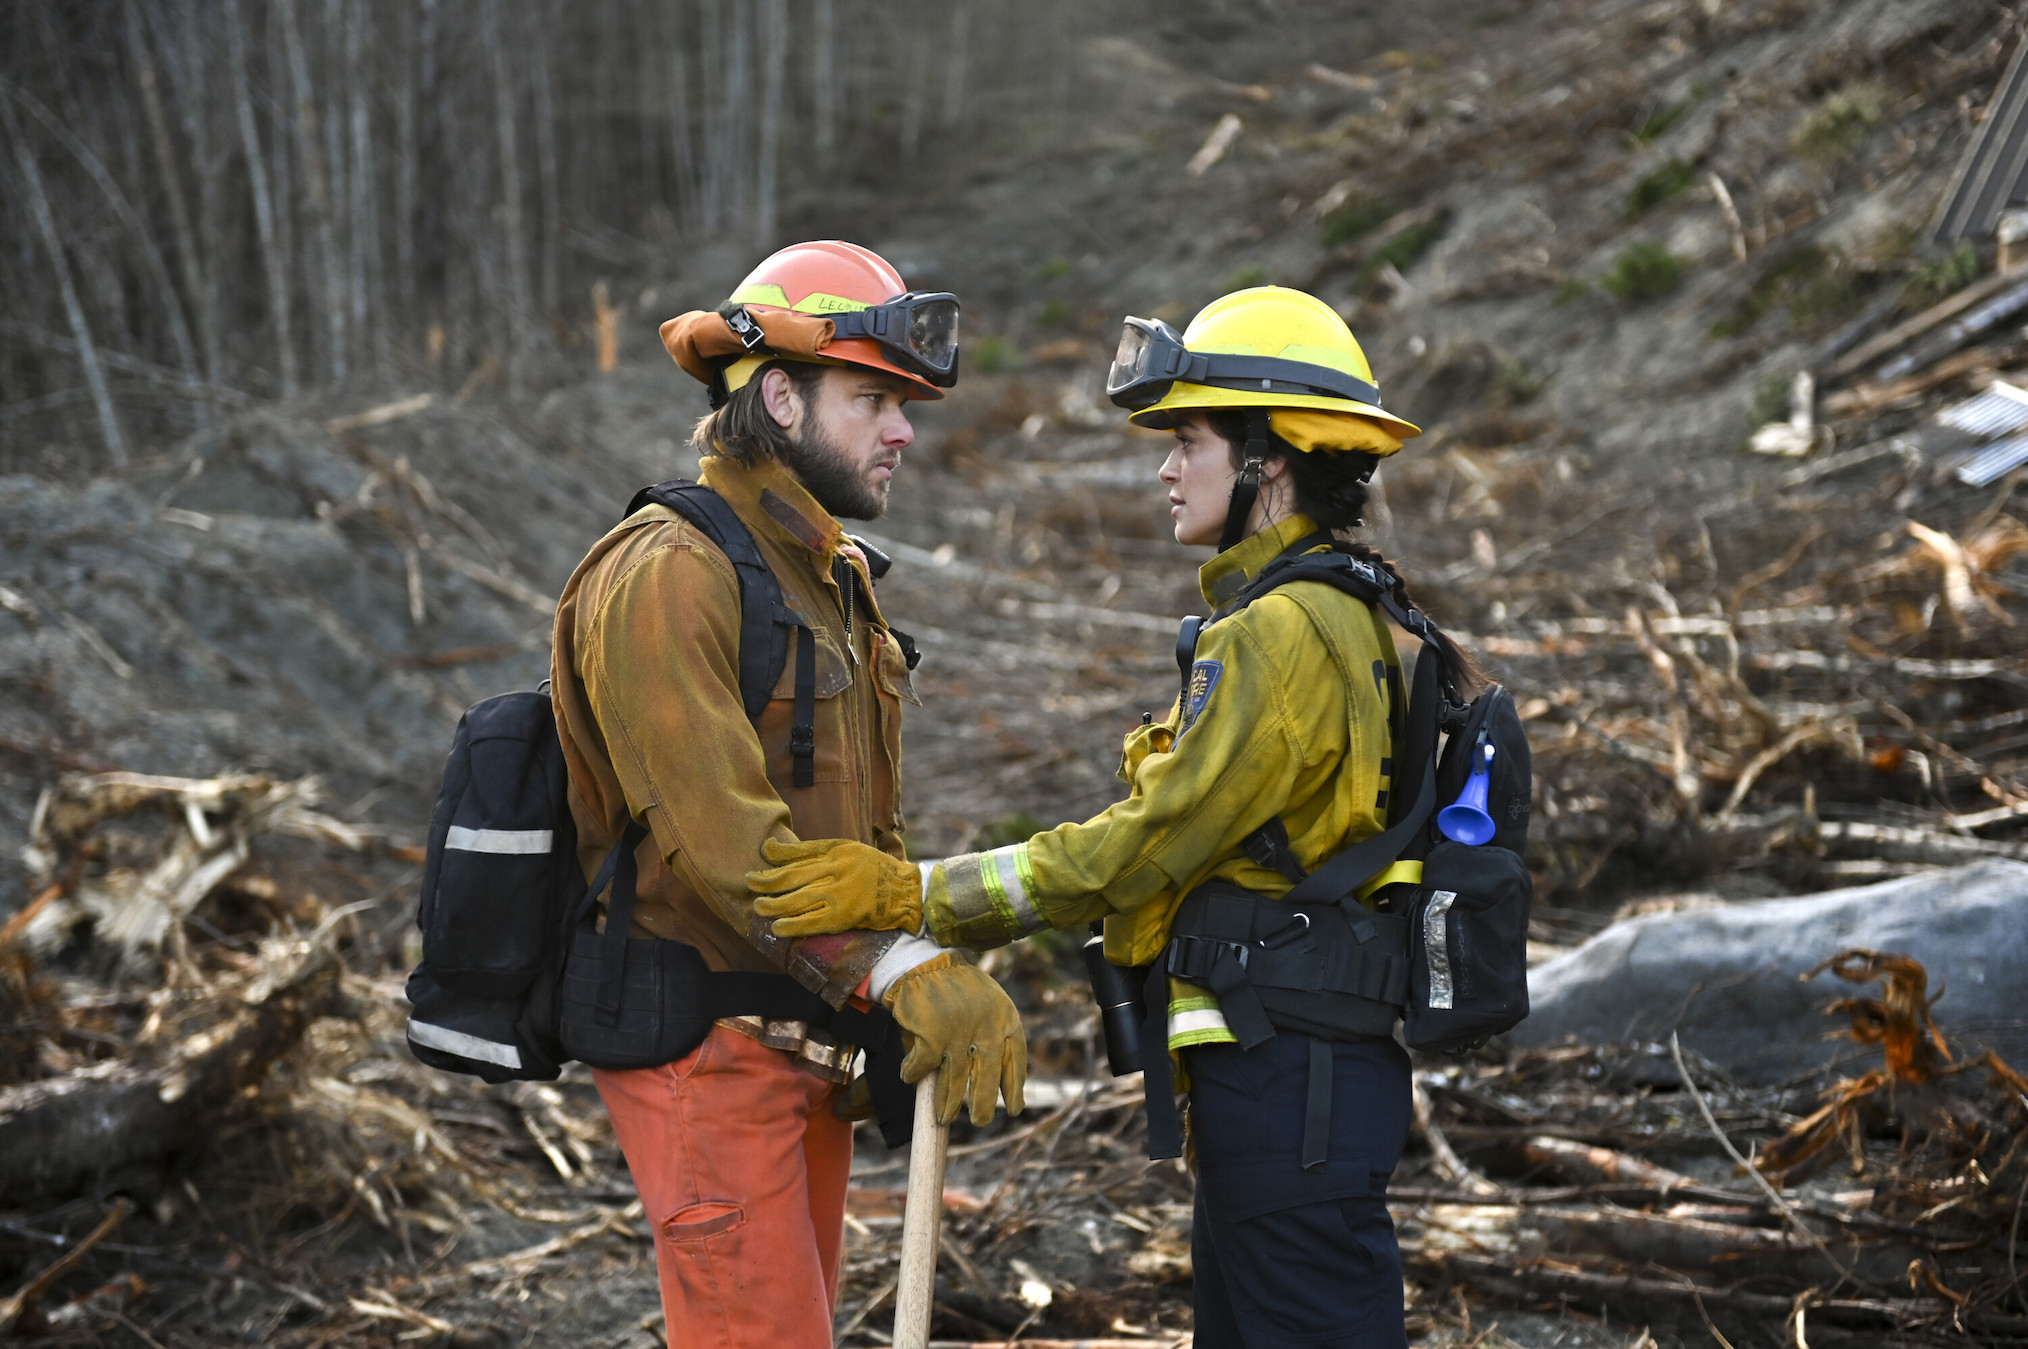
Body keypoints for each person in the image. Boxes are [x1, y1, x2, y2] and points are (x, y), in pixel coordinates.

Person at [748, 285, 1479, 1349]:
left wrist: (917, 896)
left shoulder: (1285, 630)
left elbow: (1145, 843)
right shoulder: (1346, 608)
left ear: (1269, 460)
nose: (1166, 467)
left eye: (1188, 439)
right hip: (1297, 1081)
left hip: (1293, 1090)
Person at [551, 239, 1026, 1349]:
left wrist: (869, 1001)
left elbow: (859, 832)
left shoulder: (829, 576)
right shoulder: (665, 570)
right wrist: (900, 971)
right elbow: (731, 847)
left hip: (802, 1045)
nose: (904, 430)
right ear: (780, 393)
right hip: (706, 1057)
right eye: (873, 399)